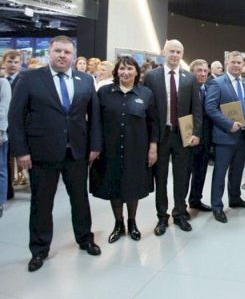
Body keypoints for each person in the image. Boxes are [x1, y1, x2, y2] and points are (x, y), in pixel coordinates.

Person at [8, 36, 102, 272]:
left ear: (73, 56)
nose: (62, 55)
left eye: (67, 52)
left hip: (77, 153)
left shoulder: (85, 80)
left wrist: (95, 145)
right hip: (42, 153)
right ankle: (39, 249)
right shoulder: (29, 79)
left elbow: (94, 117)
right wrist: (21, 151)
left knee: (80, 200)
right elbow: (15, 117)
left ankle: (85, 239)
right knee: (41, 204)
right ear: (49, 52)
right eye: (58, 51)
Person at [90, 57, 158, 243]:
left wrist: (153, 147)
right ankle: (118, 224)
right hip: (110, 150)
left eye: (129, 69)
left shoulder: (146, 93)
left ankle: (132, 222)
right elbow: (96, 121)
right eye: (122, 69)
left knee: (133, 187)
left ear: (136, 72)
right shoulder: (104, 92)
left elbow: (153, 123)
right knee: (114, 186)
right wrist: (95, 146)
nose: (125, 72)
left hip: (136, 149)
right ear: (116, 71)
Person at [143, 40, 202, 235]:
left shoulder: (189, 78)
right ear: (164, 52)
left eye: (178, 52)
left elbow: (196, 108)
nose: (175, 55)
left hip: (183, 135)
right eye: (171, 51)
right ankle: (162, 217)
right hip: (161, 135)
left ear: (182, 54)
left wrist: (196, 133)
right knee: (160, 178)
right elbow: (148, 110)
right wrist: (150, 140)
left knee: (181, 177)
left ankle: (179, 214)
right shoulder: (152, 76)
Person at [206, 51, 245, 224]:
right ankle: (217, 206)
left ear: (243, 65)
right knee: (220, 173)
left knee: (237, 171)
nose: (236, 65)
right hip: (225, 136)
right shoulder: (217, 83)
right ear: (227, 63)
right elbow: (210, 108)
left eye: (239, 63)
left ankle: (235, 198)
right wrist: (229, 124)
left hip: (243, 137)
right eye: (233, 62)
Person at [187, 59, 213, 213]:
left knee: (201, 171)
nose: (203, 74)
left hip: (205, 138)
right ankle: (180, 207)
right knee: (185, 174)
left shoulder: (209, 89)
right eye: (199, 71)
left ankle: (196, 200)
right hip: (189, 138)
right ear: (192, 73)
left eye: (205, 71)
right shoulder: (186, 90)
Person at [3, 49, 25, 193]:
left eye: (16, 62)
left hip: (19, 125)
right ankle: (8, 189)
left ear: (20, 64)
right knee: (5, 159)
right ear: (4, 62)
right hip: (4, 124)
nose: (12, 64)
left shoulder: (24, 80)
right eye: (9, 61)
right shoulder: (2, 81)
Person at [0, 75, 10, 217]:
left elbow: (4, 109)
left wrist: (1, 130)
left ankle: (0, 202)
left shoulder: (3, 83)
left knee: (0, 168)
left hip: (1, 133)